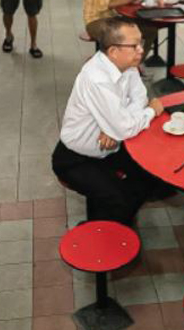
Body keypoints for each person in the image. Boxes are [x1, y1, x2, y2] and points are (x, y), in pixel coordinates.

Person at [52, 18, 165, 226]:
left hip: (111, 147)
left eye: (140, 43)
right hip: (76, 158)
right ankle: (99, 234)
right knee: (117, 199)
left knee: (151, 176)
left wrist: (113, 128)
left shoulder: (128, 65)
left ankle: (112, 225)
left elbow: (139, 97)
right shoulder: (96, 78)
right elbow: (129, 122)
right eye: (134, 45)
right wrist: (151, 111)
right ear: (113, 51)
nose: (141, 50)